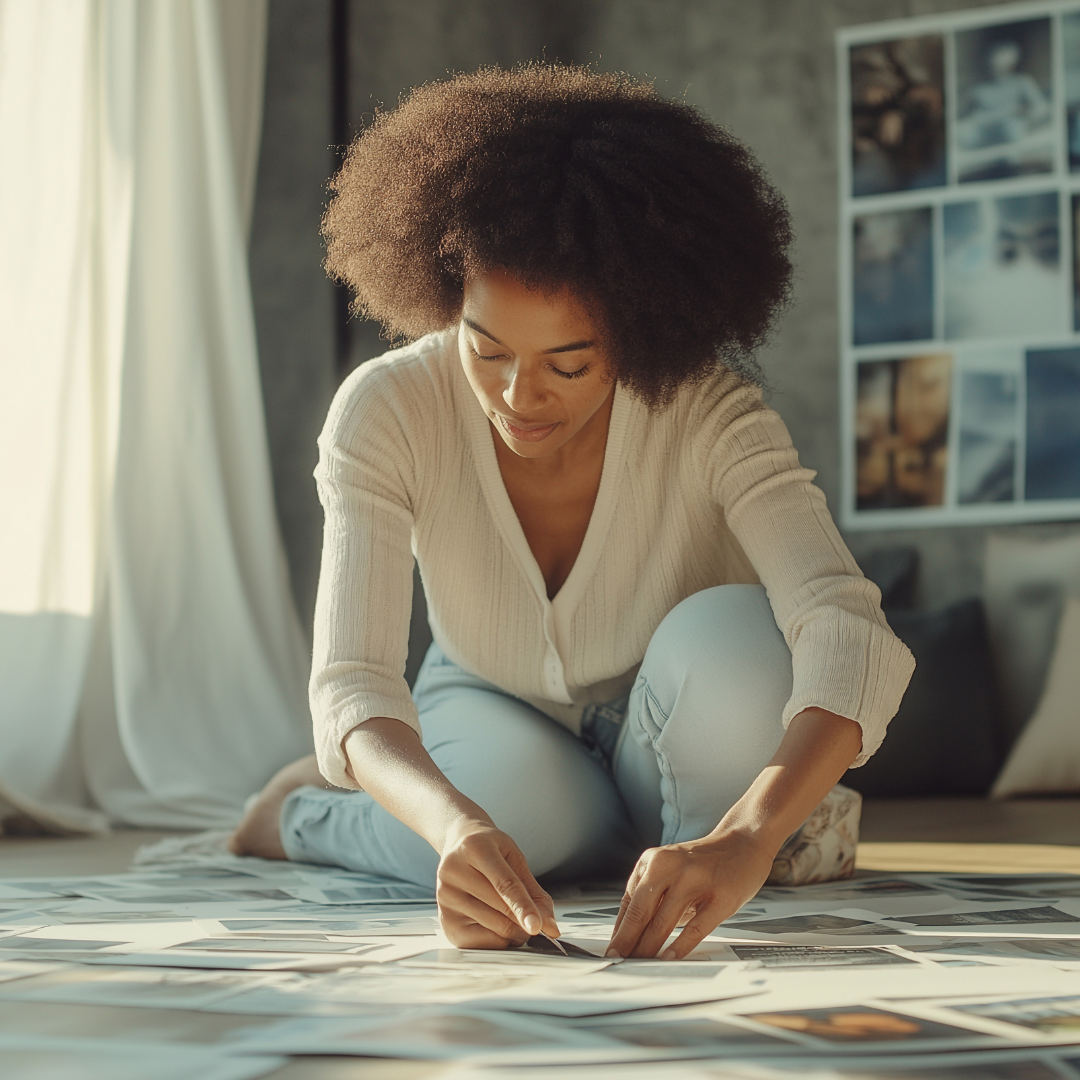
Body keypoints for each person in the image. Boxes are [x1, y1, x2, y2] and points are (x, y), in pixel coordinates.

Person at [230, 64, 914, 960]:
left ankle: (657, 835)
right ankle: (299, 815)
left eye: (570, 362)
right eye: (486, 346)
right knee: (509, 821)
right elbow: (354, 682)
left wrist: (748, 837)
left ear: (634, 329)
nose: (520, 396)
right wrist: (451, 827)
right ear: (444, 298)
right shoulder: (386, 410)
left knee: (748, 645)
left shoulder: (709, 410)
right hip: (488, 706)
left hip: (678, 714)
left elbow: (844, 624)